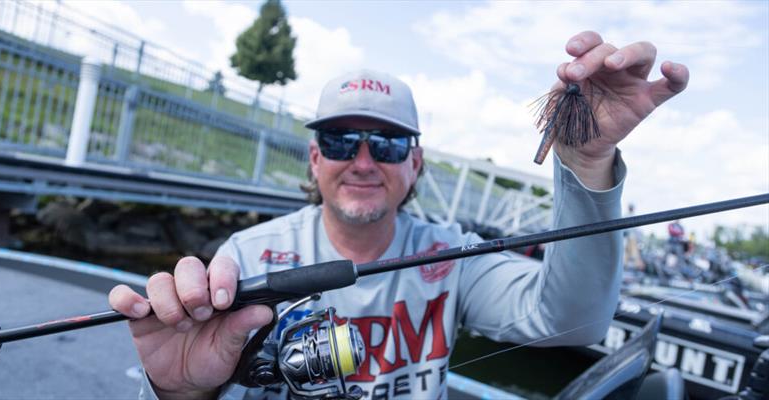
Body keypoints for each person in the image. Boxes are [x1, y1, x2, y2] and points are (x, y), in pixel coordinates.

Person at [109, 30, 689, 399]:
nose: (363, 161)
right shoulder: (247, 256)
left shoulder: (454, 256)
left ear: (414, 163)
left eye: (385, 145)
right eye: (340, 142)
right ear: (315, 159)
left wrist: (587, 161)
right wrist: (176, 392)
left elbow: (577, 322)